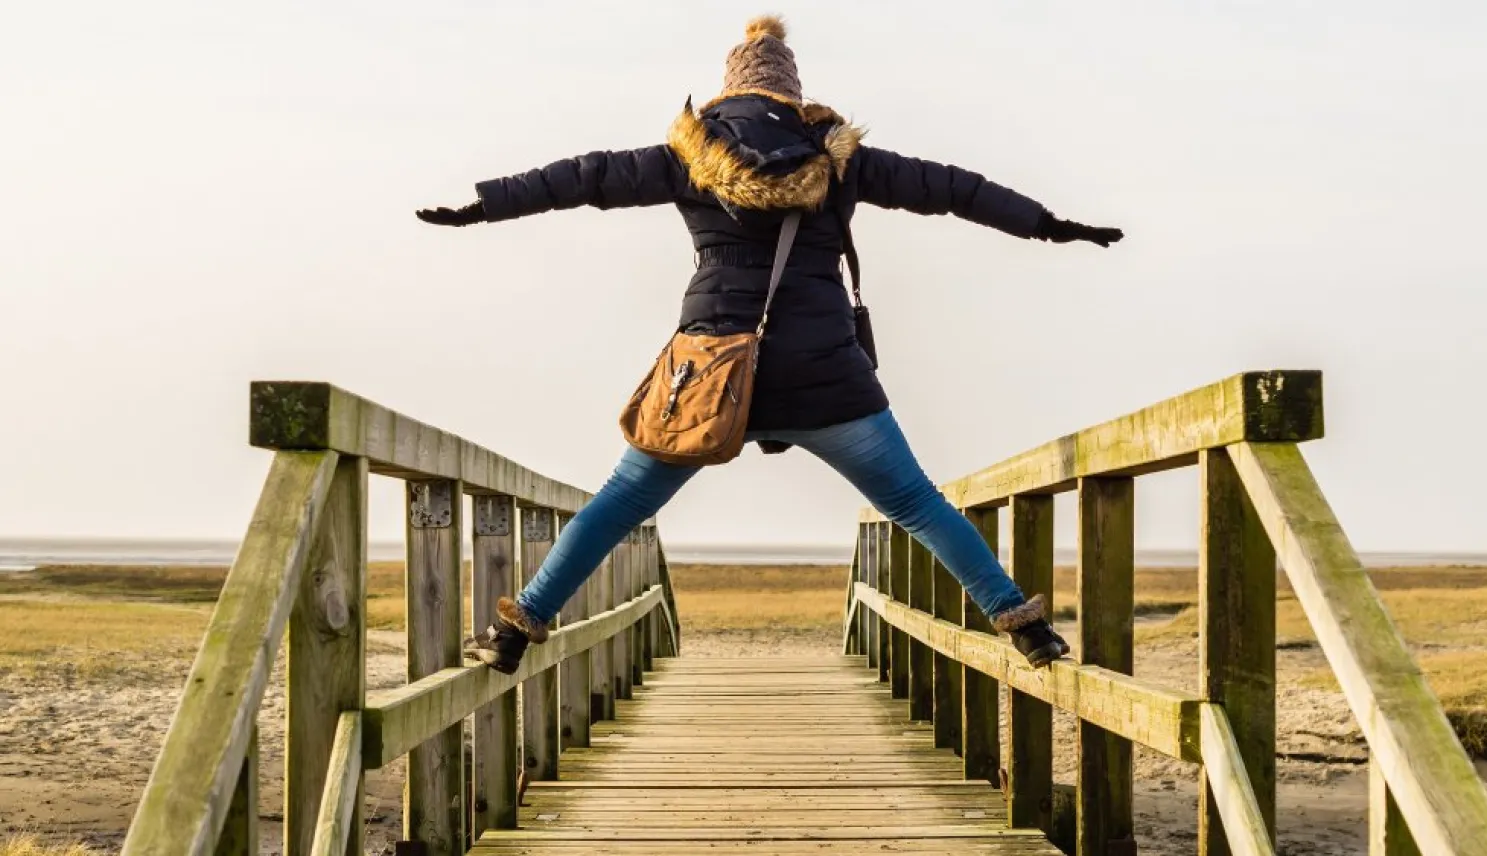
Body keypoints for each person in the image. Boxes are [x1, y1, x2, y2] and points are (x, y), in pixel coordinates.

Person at [417, 16, 1121, 675]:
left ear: (728, 91)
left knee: (620, 502)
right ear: (793, 96)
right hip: (825, 377)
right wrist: (1050, 225)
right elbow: (954, 190)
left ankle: (517, 630)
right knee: (916, 502)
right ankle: (1024, 625)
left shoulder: (683, 157)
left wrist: (482, 205)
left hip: (708, 375)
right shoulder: (843, 161)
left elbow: (581, 179)